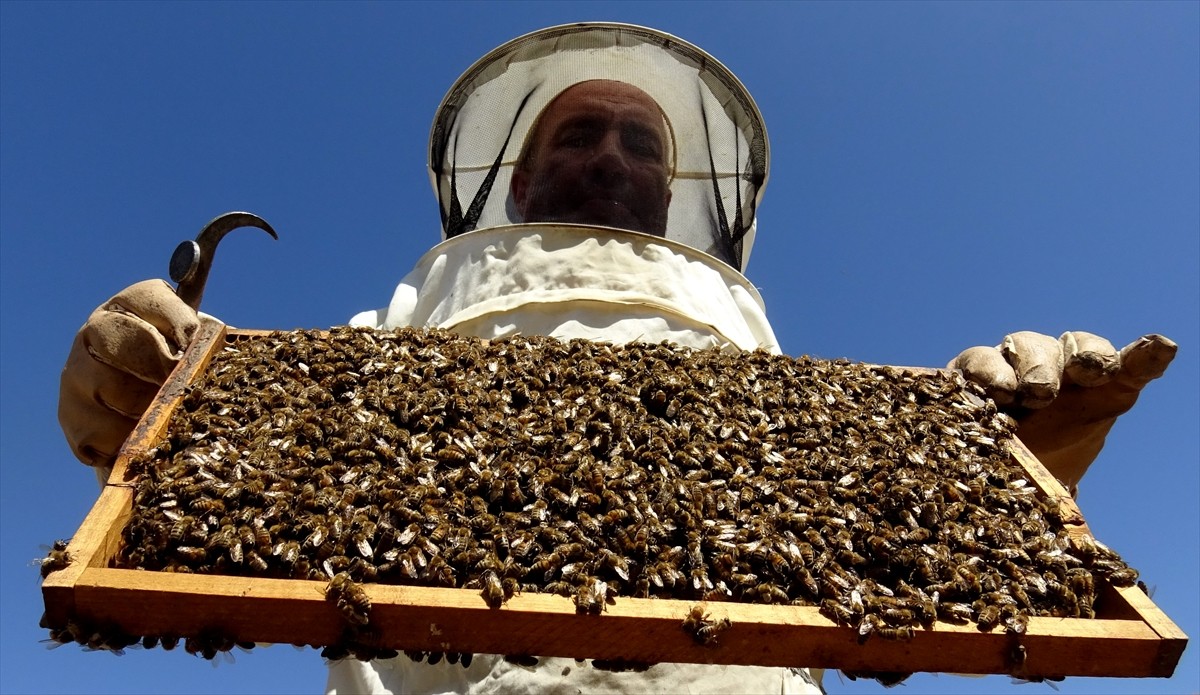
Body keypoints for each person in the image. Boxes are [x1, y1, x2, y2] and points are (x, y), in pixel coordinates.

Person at [57, 23, 1175, 695]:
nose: (610, 158)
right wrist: (139, 389)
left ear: (685, 192)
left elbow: (873, 532)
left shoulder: (761, 355)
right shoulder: (389, 332)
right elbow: (209, 465)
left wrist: (1013, 465)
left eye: (641, 142)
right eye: (576, 135)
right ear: (516, 179)